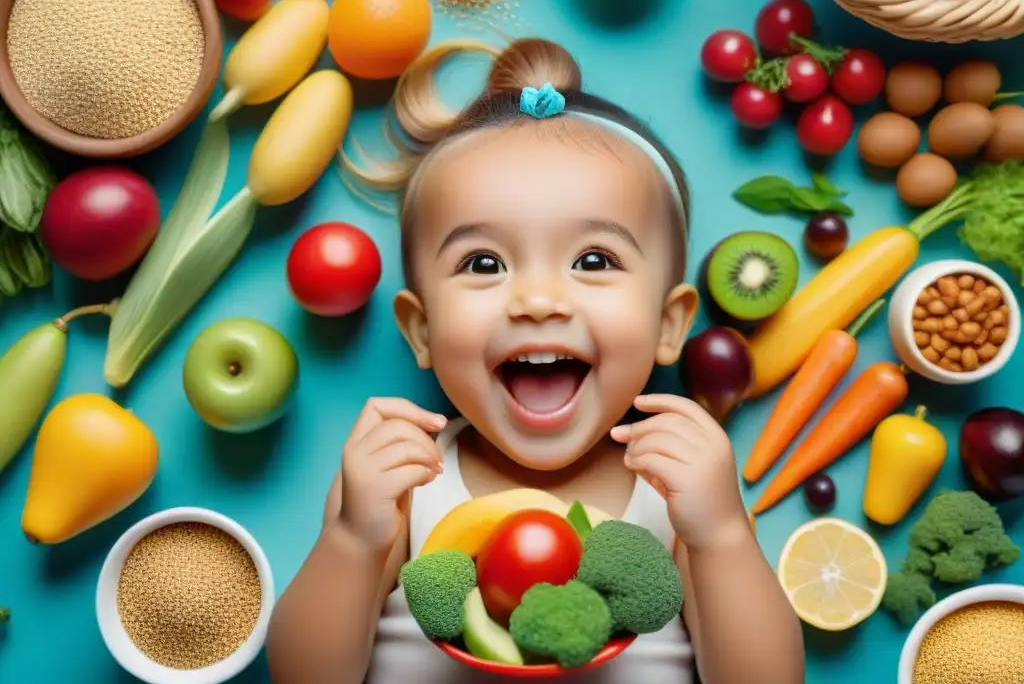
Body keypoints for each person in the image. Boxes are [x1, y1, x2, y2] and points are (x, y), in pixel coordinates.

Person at [266, 38, 806, 684]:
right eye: (484, 264)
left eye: (594, 261)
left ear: (669, 326)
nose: (540, 300)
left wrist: (721, 536)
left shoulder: (682, 493)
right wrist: (352, 539)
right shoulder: (405, 483)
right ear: (422, 330)